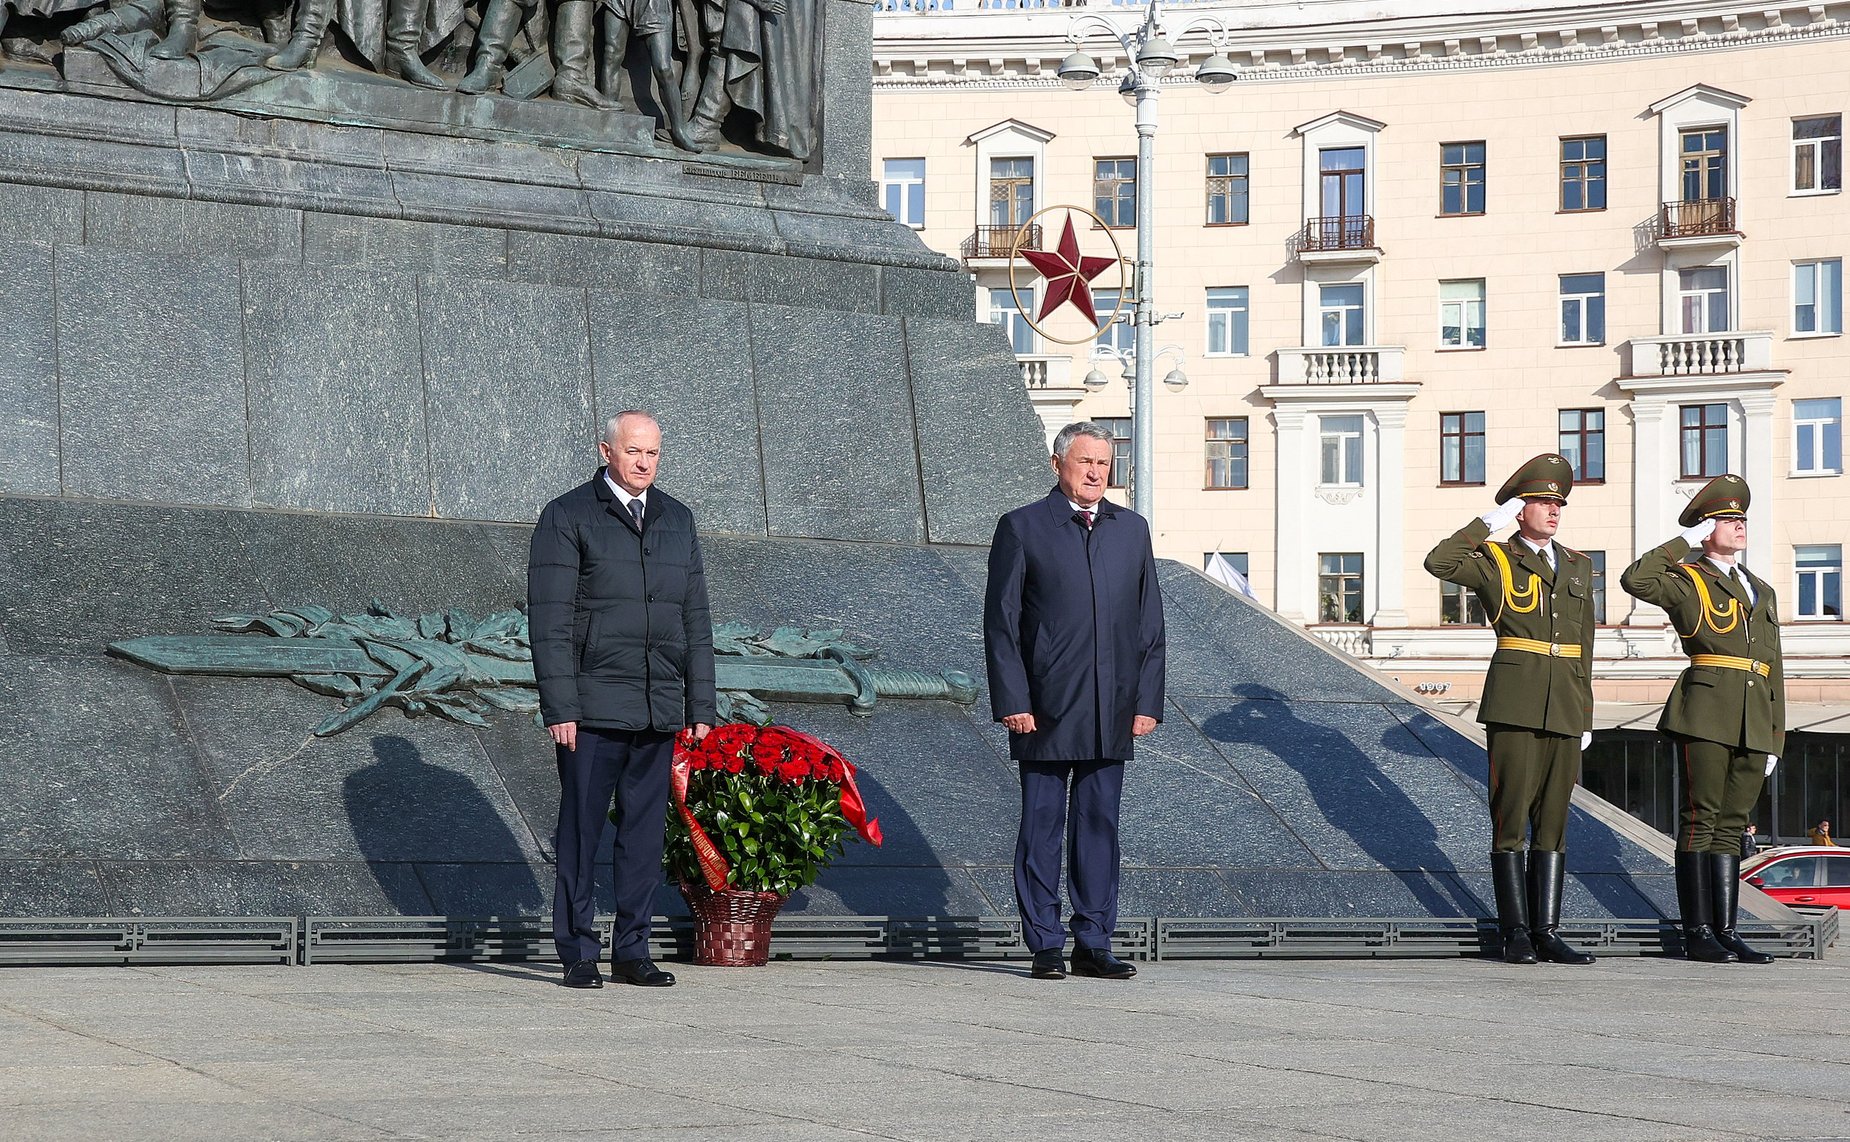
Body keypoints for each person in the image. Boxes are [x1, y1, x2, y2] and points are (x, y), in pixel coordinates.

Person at [528, 411, 717, 989]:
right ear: (606, 450)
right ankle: (578, 950)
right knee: (581, 832)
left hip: (657, 707)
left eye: (653, 454)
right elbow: (550, 621)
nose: (644, 463)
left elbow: (696, 620)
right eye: (633, 451)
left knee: (643, 837)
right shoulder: (567, 516)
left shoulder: (676, 520)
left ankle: (633, 949)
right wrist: (561, 707)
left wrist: (701, 706)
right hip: (590, 710)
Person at [983, 421, 1166, 982]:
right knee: (1041, 825)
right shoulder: (1022, 527)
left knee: (1099, 824)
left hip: (1111, 706)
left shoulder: (1131, 530)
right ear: (1058, 463)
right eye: (1085, 462)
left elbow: (1148, 623)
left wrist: (1146, 701)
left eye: (1104, 464)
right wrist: (1013, 697)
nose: (1095, 473)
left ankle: (1093, 940)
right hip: (1043, 705)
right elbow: (1001, 622)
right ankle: (1044, 942)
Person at [1423, 454, 1597, 966]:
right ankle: (1514, 931)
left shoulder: (1579, 565)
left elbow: (1583, 643)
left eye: (1557, 503)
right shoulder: (1496, 559)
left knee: (1554, 822)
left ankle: (1547, 930)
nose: (1553, 510)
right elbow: (1439, 562)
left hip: (1566, 703)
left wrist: (1584, 711)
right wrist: (1487, 522)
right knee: (1512, 817)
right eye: (1542, 501)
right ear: (1521, 509)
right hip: (1516, 701)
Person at [1620, 473, 1783, 966]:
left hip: (1754, 717)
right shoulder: (1687, 577)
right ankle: (1698, 931)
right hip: (1706, 710)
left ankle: (1727, 929)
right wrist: (1683, 541)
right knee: (1700, 820)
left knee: (1733, 826)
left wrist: (1775, 734)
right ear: (1705, 528)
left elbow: (1774, 662)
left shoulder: (1761, 589)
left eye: (1740, 519)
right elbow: (1636, 579)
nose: (1738, 526)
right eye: (1727, 520)